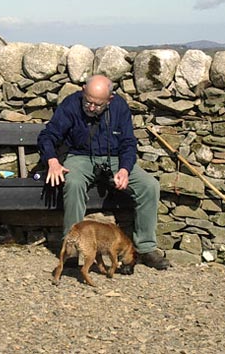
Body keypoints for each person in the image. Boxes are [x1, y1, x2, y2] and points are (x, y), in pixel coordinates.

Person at [37, 74, 170, 270]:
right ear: (83, 91)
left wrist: (125, 169)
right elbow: (48, 135)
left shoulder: (120, 107)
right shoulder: (71, 104)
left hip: (114, 159)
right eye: (88, 102)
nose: (91, 108)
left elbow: (128, 143)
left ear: (110, 100)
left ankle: (146, 248)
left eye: (97, 105)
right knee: (73, 184)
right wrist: (52, 161)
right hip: (80, 156)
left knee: (149, 186)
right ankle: (72, 249)